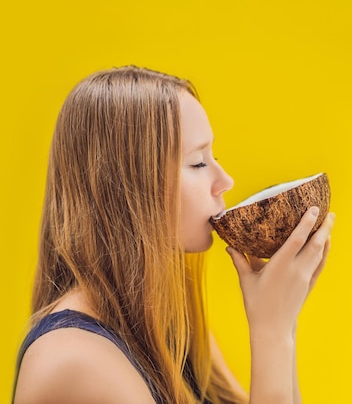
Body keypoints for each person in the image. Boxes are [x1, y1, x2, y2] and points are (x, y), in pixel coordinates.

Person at [13, 65, 334, 404]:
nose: (225, 181)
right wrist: (273, 332)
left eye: (215, 157)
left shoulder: (169, 331)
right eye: (198, 163)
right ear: (126, 188)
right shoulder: (75, 362)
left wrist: (286, 324)